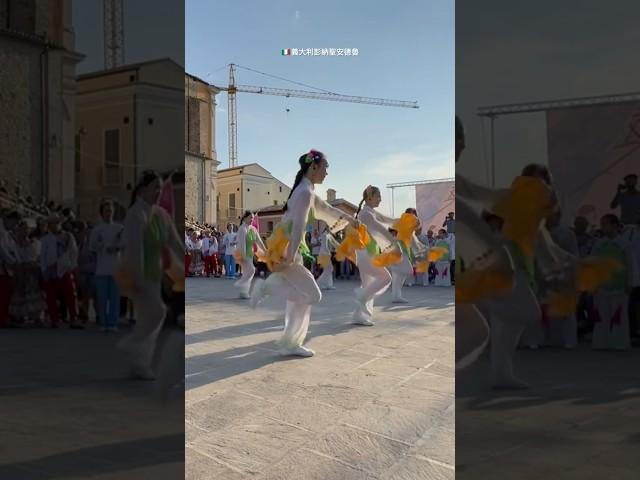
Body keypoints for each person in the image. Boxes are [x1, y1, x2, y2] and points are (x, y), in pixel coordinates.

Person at [251, 149, 358, 357]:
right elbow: (299, 226)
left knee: (298, 300)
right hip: (288, 249)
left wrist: (350, 219)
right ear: (314, 167)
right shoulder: (305, 193)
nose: (327, 173)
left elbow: (326, 209)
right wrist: (290, 258)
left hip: (289, 247)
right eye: (325, 168)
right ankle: (265, 288)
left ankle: (291, 342)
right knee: (313, 295)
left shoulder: (305, 190)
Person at [117, 170, 184, 379]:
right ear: (143, 189)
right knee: (156, 313)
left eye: (160, 188)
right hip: (139, 273)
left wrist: (186, 263)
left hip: (155, 273)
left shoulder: (161, 215)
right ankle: (132, 348)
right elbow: (134, 249)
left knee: (149, 317)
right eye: (155, 187)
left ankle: (138, 364)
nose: (158, 191)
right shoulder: (136, 214)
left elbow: (174, 242)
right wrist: (136, 279)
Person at [591, 214, 637, 350]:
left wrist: (630, 283)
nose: (603, 227)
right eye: (602, 224)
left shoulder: (624, 245)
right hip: (602, 286)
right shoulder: (599, 244)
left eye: (606, 224)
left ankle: (620, 343)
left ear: (615, 225)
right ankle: (601, 342)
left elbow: (631, 265)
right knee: (601, 317)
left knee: (619, 317)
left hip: (619, 286)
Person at [40, 214, 81, 329]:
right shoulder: (45, 239)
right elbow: (42, 256)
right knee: (51, 296)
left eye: (56, 222)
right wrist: (44, 271)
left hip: (65, 269)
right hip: (50, 270)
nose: (54, 225)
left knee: (71, 295)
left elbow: (74, 253)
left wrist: (72, 266)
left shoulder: (68, 236)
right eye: (52, 223)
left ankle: (74, 318)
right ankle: (54, 319)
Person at [90, 200, 124, 332]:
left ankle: (113, 323)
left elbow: (126, 243)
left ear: (113, 212)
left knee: (115, 298)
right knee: (102, 298)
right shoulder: (97, 229)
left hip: (116, 268)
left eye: (110, 210)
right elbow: (92, 246)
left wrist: (116, 247)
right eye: (106, 211)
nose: (108, 213)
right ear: (101, 213)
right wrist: (103, 246)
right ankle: (103, 323)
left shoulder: (120, 228)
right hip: (101, 269)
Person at [8, 220, 45, 325]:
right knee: (20, 292)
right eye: (22, 228)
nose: (24, 231)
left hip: (31, 271)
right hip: (19, 271)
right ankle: (19, 315)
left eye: (26, 229)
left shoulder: (35, 242)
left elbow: (38, 257)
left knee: (33, 292)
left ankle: (35, 315)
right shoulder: (14, 243)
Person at [234, 211, 267, 298]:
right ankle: (240, 284)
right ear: (245, 218)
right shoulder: (242, 229)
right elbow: (242, 243)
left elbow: (259, 241)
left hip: (250, 254)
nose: (252, 219)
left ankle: (243, 292)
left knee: (247, 273)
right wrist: (243, 256)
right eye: (250, 217)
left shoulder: (253, 229)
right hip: (243, 254)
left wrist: (265, 251)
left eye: (252, 218)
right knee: (251, 270)